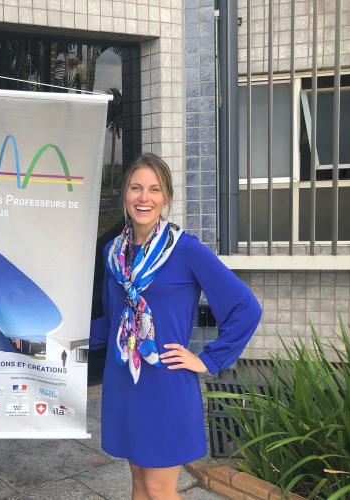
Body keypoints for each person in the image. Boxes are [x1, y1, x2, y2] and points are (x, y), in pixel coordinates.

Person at [90, 153, 261, 500]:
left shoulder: (185, 250)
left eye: (154, 189)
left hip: (165, 383)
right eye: (136, 187)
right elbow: (113, 322)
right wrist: (60, 340)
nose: (144, 197)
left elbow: (246, 308)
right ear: (125, 193)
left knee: (159, 489)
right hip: (125, 380)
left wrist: (209, 359)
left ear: (166, 197)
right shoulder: (114, 253)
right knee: (139, 482)